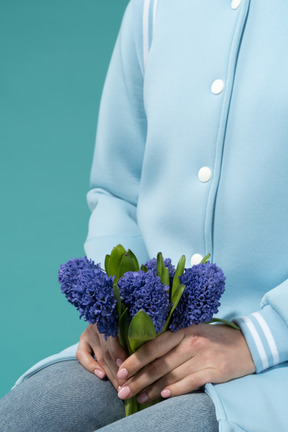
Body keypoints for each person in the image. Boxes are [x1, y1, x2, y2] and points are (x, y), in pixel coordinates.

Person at [1, 0, 288, 431]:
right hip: (150, 349)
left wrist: (258, 340)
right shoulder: (153, 7)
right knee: (23, 418)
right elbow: (118, 189)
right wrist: (118, 315)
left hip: (273, 363)